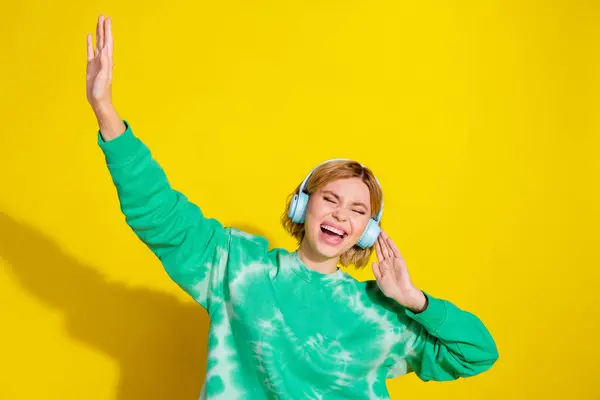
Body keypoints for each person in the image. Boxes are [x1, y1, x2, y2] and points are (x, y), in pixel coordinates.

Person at [86, 14, 498, 400]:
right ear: (303, 206)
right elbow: (160, 215)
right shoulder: (237, 269)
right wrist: (105, 110)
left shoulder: (381, 314)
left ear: (368, 230)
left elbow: (477, 353)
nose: (340, 214)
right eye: (330, 199)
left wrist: (413, 299)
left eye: (357, 210)